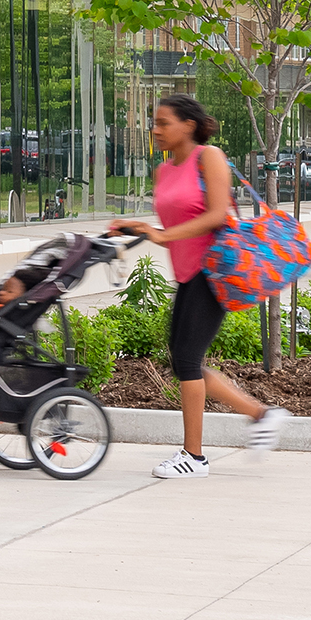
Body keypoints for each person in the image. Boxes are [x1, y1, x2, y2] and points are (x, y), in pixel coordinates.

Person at [108, 94, 290, 477]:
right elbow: (175, 226)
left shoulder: (209, 157)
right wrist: (138, 229)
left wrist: (160, 234)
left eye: (164, 123)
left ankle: (194, 457)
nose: (156, 130)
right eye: (154, 123)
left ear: (188, 125)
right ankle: (261, 415)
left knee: (187, 362)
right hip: (187, 274)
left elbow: (216, 216)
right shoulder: (163, 171)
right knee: (183, 361)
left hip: (213, 272)